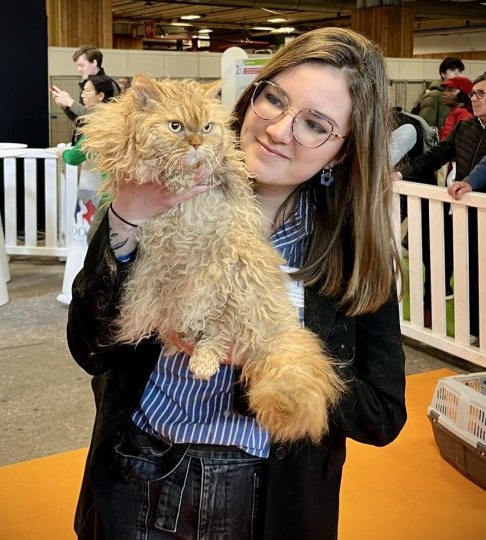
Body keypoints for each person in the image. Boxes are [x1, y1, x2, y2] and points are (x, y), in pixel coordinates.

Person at [67, 27, 407, 539]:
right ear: (252, 97)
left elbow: (381, 415)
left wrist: (265, 356)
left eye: (315, 124)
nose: (279, 129)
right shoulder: (160, 194)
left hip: (265, 501)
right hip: (133, 474)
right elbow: (89, 348)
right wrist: (127, 217)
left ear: (340, 153)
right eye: (274, 99)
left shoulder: (351, 254)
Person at [395, 74, 486, 340]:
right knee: (469, 270)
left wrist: (469, 182)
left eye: (482, 94)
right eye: (474, 94)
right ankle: (473, 331)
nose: (475, 98)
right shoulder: (466, 128)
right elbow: (436, 155)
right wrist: (401, 174)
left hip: (475, 205)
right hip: (464, 212)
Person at [58, 74, 116, 241]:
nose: (83, 95)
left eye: (87, 91)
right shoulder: (119, 117)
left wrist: (62, 152)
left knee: (95, 237)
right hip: (132, 191)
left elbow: (74, 157)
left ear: (101, 96)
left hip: (113, 194)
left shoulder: (100, 123)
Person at [49, 45, 121, 144]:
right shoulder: (88, 84)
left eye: (81, 65)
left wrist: (70, 103)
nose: (78, 69)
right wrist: (65, 106)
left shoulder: (107, 83)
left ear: (94, 63)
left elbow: (101, 117)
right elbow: (81, 121)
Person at [414, 57, 465, 130]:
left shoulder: (459, 95)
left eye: (459, 71)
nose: (457, 73)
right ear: (443, 74)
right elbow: (426, 126)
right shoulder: (433, 95)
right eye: (452, 70)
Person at [439, 76, 474, 140]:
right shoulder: (454, 112)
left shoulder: (465, 114)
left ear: (463, 94)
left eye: (450, 90)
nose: (444, 93)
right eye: (445, 90)